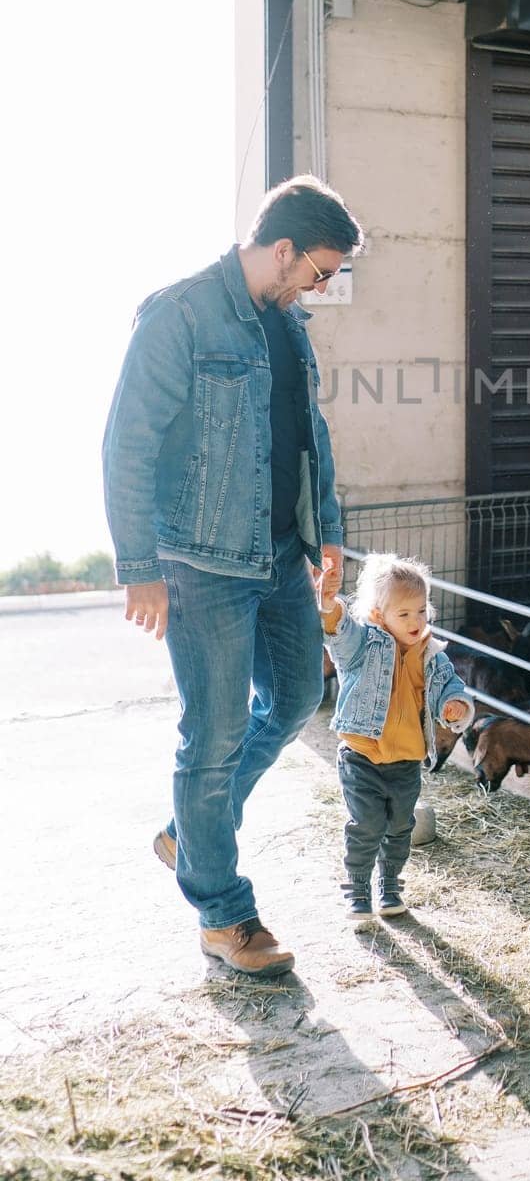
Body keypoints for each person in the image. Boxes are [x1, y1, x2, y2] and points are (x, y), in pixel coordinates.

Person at [102, 174, 363, 977]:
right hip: (202, 565)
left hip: (282, 553)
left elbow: (305, 432)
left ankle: (189, 833)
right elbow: (127, 443)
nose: (322, 285)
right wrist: (138, 566)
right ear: (281, 249)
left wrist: (326, 534)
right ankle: (223, 911)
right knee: (210, 739)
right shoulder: (178, 313)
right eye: (320, 270)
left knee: (291, 701)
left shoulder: (289, 326)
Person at [320, 553, 474, 928]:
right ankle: (357, 891)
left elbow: (450, 688)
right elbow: (340, 635)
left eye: (420, 611)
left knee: (400, 826)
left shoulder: (433, 655)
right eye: (403, 614)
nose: (415, 622)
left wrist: (455, 705)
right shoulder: (365, 644)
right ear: (378, 614)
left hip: (406, 760)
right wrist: (329, 606)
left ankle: (389, 886)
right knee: (367, 824)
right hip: (361, 755)